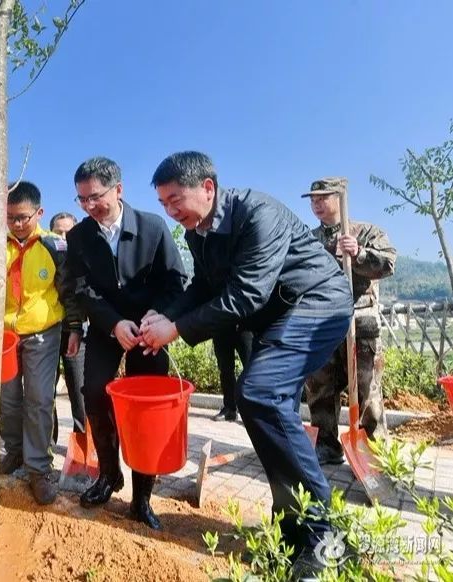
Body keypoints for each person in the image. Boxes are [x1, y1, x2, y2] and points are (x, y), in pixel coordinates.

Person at [140, 152, 353, 578]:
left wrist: (177, 329)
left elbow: (246, 294)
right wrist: (163, 315)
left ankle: (331, 541)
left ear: (208, 187)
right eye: (163, 204)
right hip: (280, 316)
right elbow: (202, 286)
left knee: (257, 394)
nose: (171, 210)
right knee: (273, 409)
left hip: (318, 304)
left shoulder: (258, 213)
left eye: (176, 199)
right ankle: (291, 530)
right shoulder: (198, 233)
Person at [66, 157, 187, 529]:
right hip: (107, 328)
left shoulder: (153, 227)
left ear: (118, 189)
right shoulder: (80, 236)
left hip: (151, 332)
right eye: (81, 200)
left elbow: (175, 282)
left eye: (95, 197)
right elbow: (80, 289)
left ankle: (142, 498)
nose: (89, 206)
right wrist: (113, 322)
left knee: (146, 411)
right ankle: (108, 474)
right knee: (95, 393)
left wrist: (157, 316)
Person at [0, 181, 82, 505]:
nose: (17, 224)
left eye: (23, 217)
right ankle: (13, 452)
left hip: (43, 332)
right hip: (4, 334)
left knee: (38, 398)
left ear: (39, 212)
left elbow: (69, 291)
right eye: (10, 217)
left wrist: (75, 327)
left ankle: (39, 469)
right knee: (7, 399)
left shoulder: (56, 247)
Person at [302, 177, 396, 465]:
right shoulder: (309, 238)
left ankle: (375, 451)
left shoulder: (365, 232)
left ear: (340, 198)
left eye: (323, 197)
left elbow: (388, 264)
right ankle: (327, 445)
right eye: (313, 199)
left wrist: (359, 253)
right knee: (319, 387)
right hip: (323, 321)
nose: (316, 204)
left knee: (366, 390)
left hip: (360, 321)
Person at [49, 211, 86, 436]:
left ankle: (82, 442)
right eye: (58, 232)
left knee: (79, 390)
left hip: (78, 332)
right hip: (50, 332)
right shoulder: (43, 255)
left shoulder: (84, 257)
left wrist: (78, 325)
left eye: (68, 232)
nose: (63, 237)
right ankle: (47, 441)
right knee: (45, 392)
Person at [211, 326, 252, 422]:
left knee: (252, 368)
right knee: (225, 369)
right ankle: (230, 409)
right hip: (221, 326)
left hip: (244, 324)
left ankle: (256, 412)